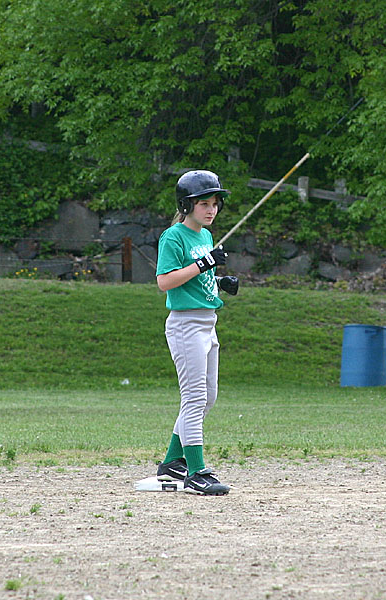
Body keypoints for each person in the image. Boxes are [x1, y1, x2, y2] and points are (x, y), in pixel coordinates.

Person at [154, 169, 239, 496]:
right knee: (194, 398)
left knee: (209, 396)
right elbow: (165, 282)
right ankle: (196, 471)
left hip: (207, 322)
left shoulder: (205, 236)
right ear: (186, 204)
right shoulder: (173, 236)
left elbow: (196, 279)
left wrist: (219, 282)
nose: (211, 210)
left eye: (215, 203)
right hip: (185, 325)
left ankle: (172, 463)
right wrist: (204, 265)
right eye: (204, 203)